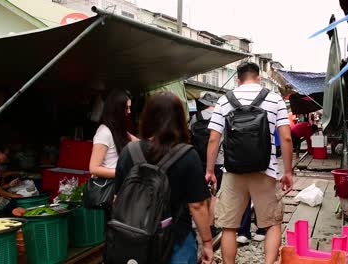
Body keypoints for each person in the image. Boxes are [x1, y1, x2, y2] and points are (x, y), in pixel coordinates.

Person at [206, 62, 293, 264]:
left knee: (229, 226)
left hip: (233, 172)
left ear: (238, 80)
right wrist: (287, 171)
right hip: (266, 172)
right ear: (259, 78)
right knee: (272, 224)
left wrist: (210, 170)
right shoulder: (274, 99)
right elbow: (286, 138)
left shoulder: (224, 101)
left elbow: (213, 138)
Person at [115, 92, 213, 264]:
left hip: (135, 239)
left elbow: (118, 199)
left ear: (147, 118)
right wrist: (207, 242)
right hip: (176, 239)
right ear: (179, 120)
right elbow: (197, 206)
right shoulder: (188, 155)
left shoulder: (128, 152)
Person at [189, 92, 224, 237]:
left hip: (198, 161)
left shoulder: (195, 117)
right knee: (214, 194)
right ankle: (211, 226)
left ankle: (200, 223)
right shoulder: (220, 117)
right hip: (217, 160)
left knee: (201, 193)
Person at [89, 89, 138, 180]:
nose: (129, 111)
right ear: (117, 109)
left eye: (129, 107)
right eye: (126, 108)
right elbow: (93, 168)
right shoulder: (104, 132)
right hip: (109, 188)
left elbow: (141, 143)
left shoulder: (117, 130)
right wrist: (124, 173)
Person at [0, 144, 21, 216]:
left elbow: (1, 175)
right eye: (6, 154)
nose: (6, 157)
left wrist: (9, 185)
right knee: (10, 207)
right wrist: (12, 195)